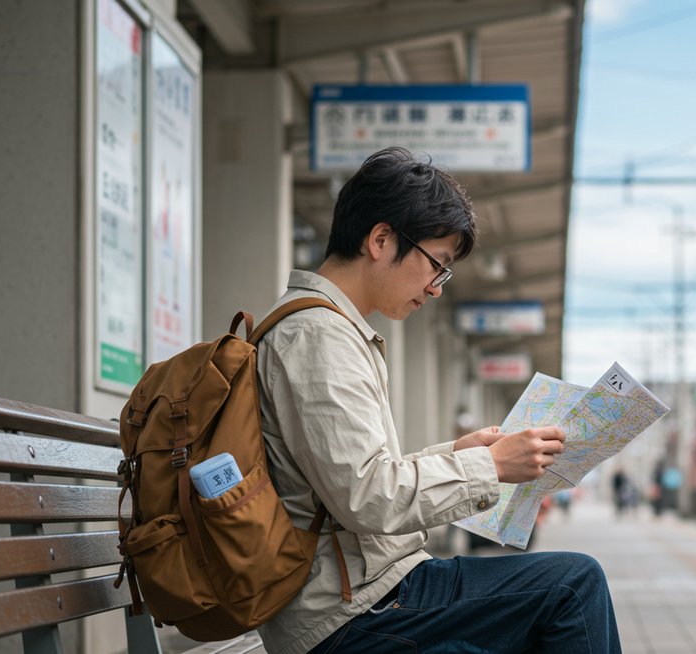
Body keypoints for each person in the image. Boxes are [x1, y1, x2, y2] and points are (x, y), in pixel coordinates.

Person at [254, 147, 620, 654]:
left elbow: (353, 482)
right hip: (350, 614)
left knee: (564, 591)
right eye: (437, 265)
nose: (436, 288)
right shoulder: (317, 337)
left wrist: (460, 453)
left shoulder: (329, 331)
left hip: (374, 590)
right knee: (572, 587)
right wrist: (487, 467)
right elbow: (367, 499)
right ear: (381, 240)